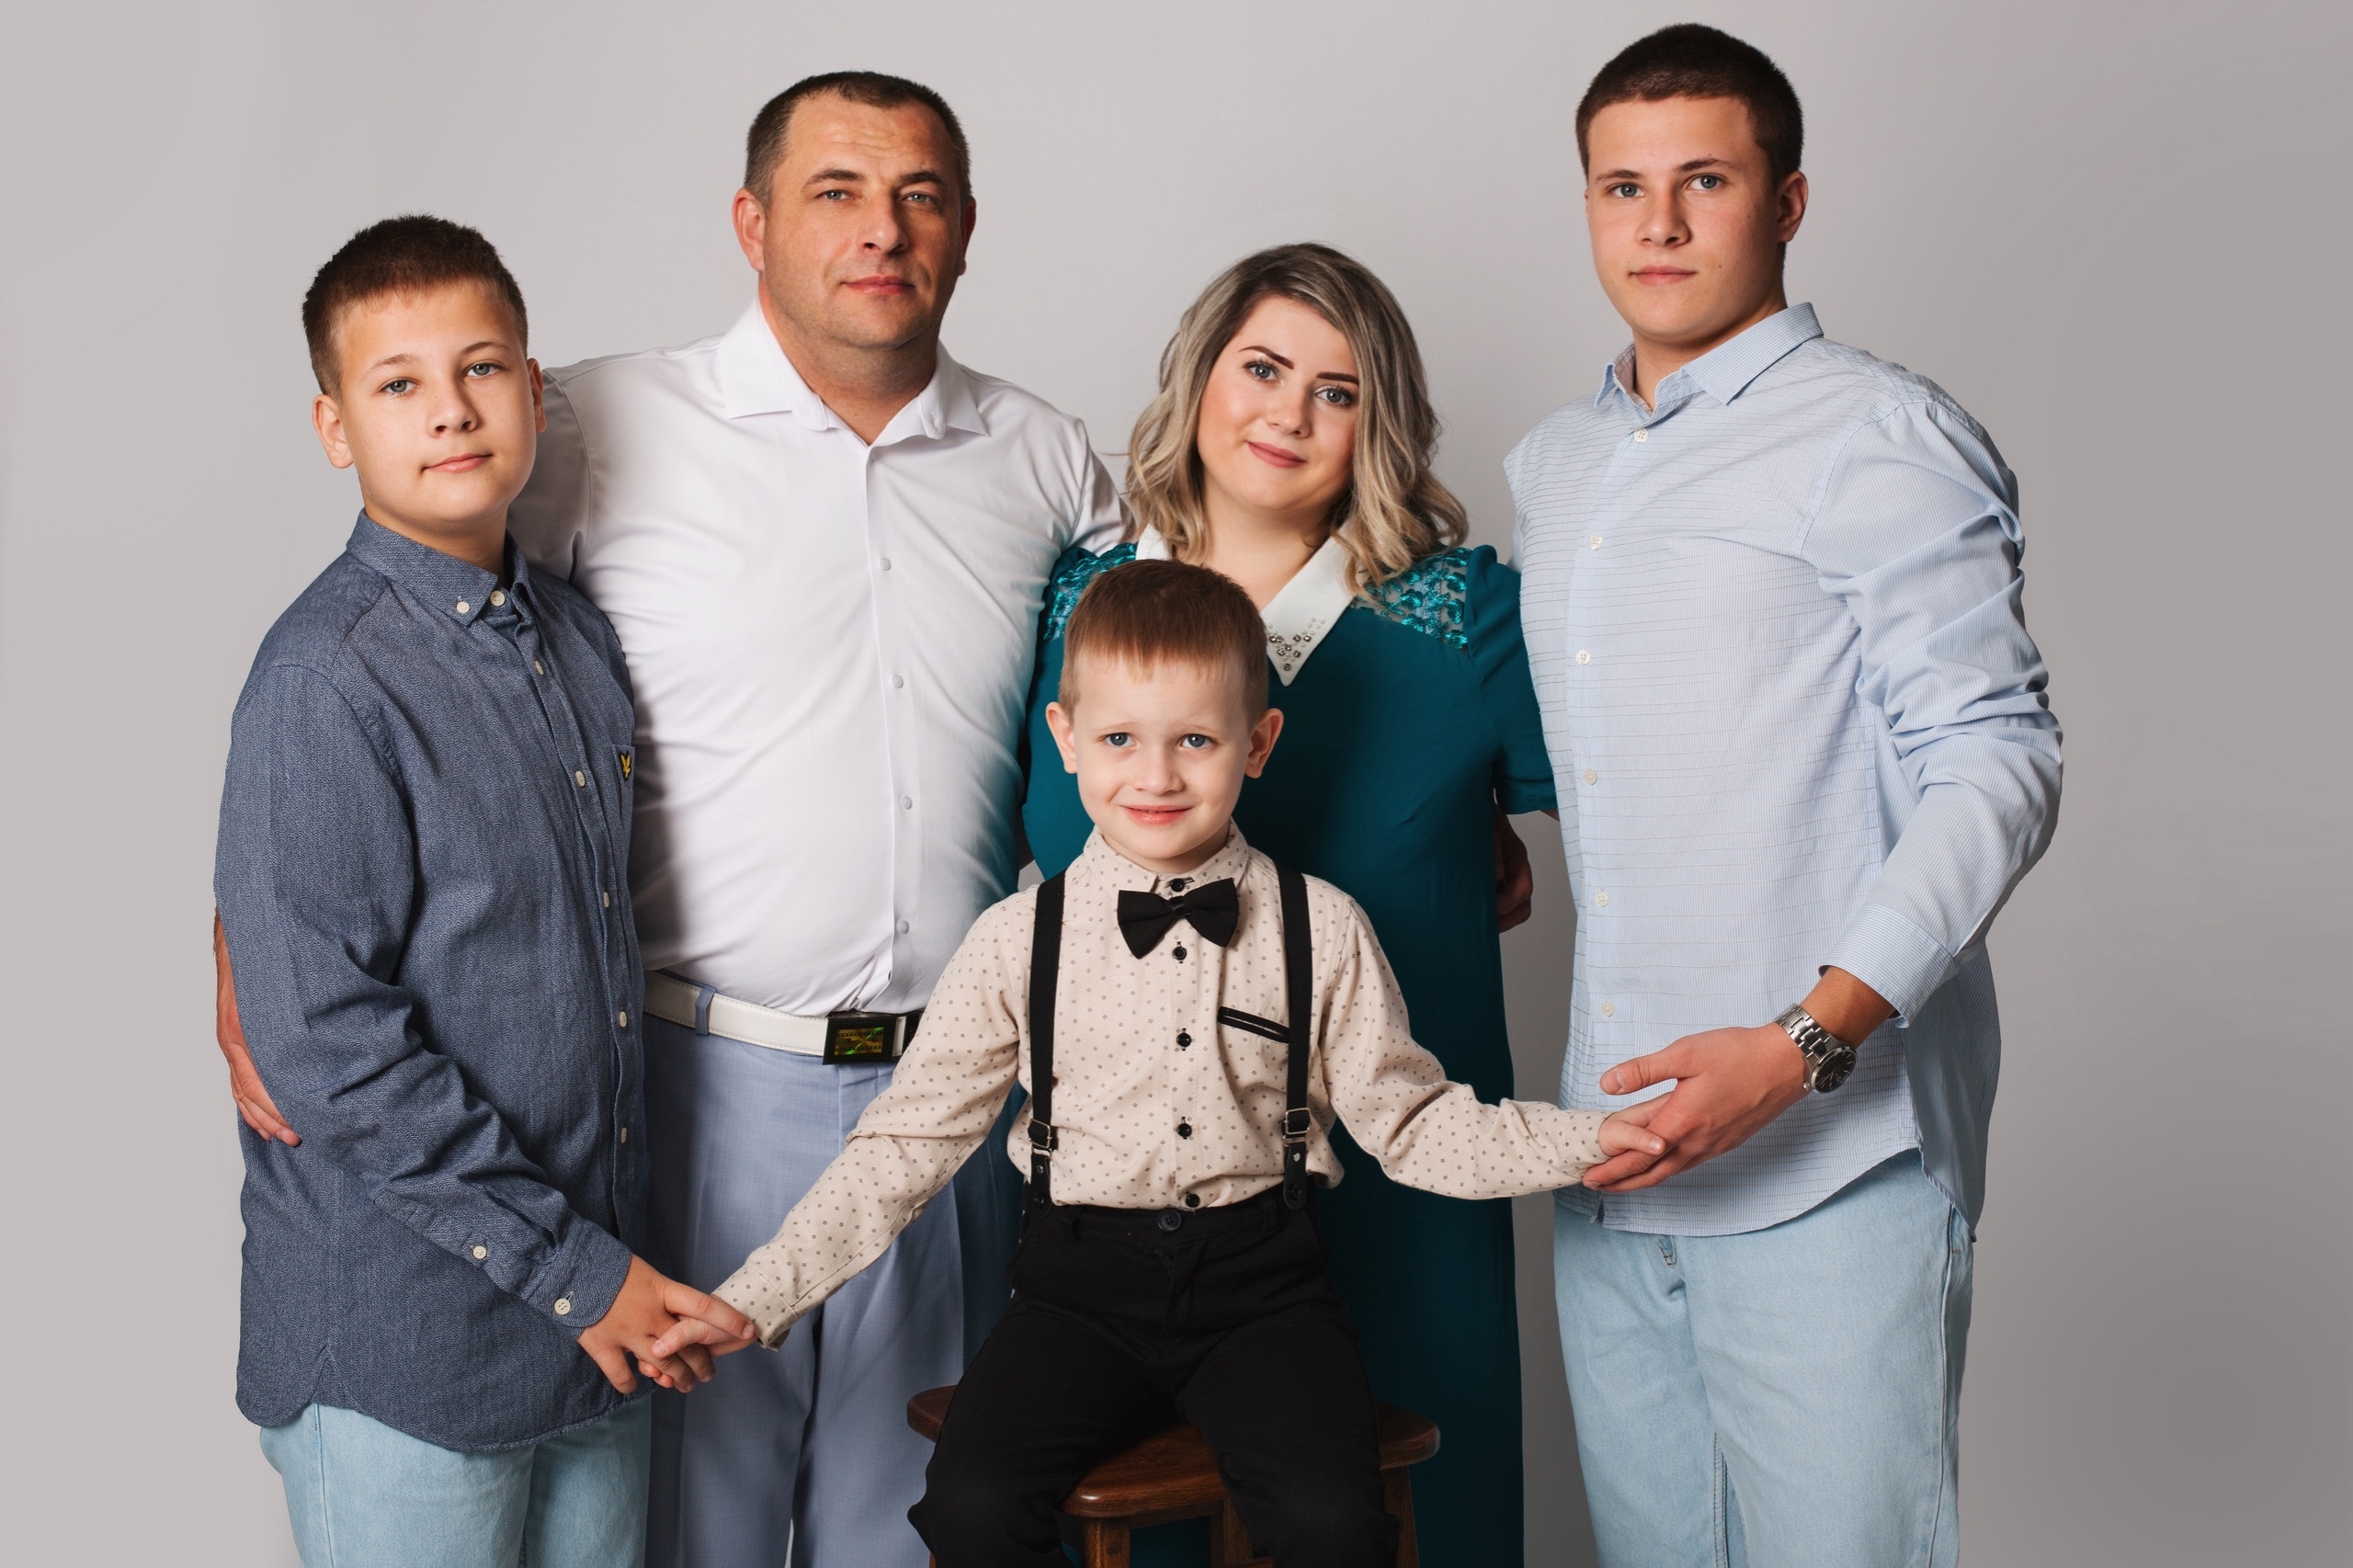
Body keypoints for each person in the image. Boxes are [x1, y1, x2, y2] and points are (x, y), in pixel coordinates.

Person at [212, 71, 1121, 1567]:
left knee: (915, 1527)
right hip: (691, 1099)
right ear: (751, 224)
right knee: (689, 1535)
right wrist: (246, 947)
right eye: (836, 192)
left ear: (966, 227)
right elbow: (386, 634)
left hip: (947, 1103)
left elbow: (1171, 680)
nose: (881, 229)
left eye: (919, 195)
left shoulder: (1047, 460)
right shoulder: (593, 423)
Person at [654, 560, 1669, 1568]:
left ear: (1257, 743)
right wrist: (760, 1295)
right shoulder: (1017, 939)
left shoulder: (1322, 927)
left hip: (1266, 1299)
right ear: (1065, 739)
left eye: (1195, 740)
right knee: (970, 1506)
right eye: (1119, 740)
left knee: (1332, 1524)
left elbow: (1413, 1123)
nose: (1156, 776)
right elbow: (906, 1143)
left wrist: (1590, 1141)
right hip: (1072, 1300)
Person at [1509, 25, 2062, 1567]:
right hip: (1613, 1161)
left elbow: (1999, 760)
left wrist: (1804, 1043)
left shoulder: (1877, 434)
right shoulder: (1554, 467)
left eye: (1705, 180)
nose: (1659, 224)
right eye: (1622, 187)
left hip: (1833, 1153)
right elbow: (1618, 750)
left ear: (1788, 201)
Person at [213, 215, 755, 1568]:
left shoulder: (573, 636)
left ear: (532, 387)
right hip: (410, 1345)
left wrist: (601, 1284)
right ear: (335, 427)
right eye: (398, 382)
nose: (450, 410)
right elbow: (331, 1049)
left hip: (592, 1339)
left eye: (483, 368)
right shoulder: (323, 679)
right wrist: (586, 1277)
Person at [1020, 243, 1552, 1565]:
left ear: (1381, 424)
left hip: (1399, 1176)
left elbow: (1634, 807)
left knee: (1399, 1515)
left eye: (1338, 390)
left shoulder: (1464, 618)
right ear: (1200, 377)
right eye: (1261, 368)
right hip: (1134, 1209)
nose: (1289, 414)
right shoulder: (1075, 602)